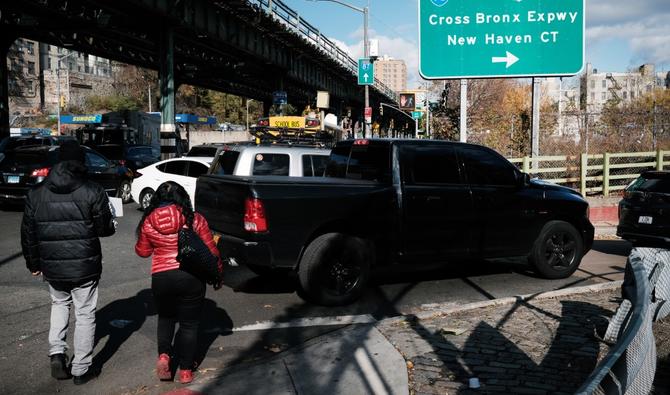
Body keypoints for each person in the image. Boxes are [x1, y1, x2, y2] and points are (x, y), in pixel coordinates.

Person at [21, 140, 116, 385]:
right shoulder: (93, 190)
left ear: (58, 162)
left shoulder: (37, 193)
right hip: (85, 265)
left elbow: (28, 233)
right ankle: (81, 369)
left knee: (59, 305)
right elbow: (104, 229)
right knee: (85, 314)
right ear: (80, 162)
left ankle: (56, 353)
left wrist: (33, 264)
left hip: (52, 266)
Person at [134, 181, 223, 384]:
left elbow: (143, 252)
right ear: (183, 197)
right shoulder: (195, 219)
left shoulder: (148, 221)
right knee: (189, 325)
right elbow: (211, 251)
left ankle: (164, 356)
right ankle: (185, 371)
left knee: (165, 318)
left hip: (161, 278)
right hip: (191, 277)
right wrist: (218, 274)